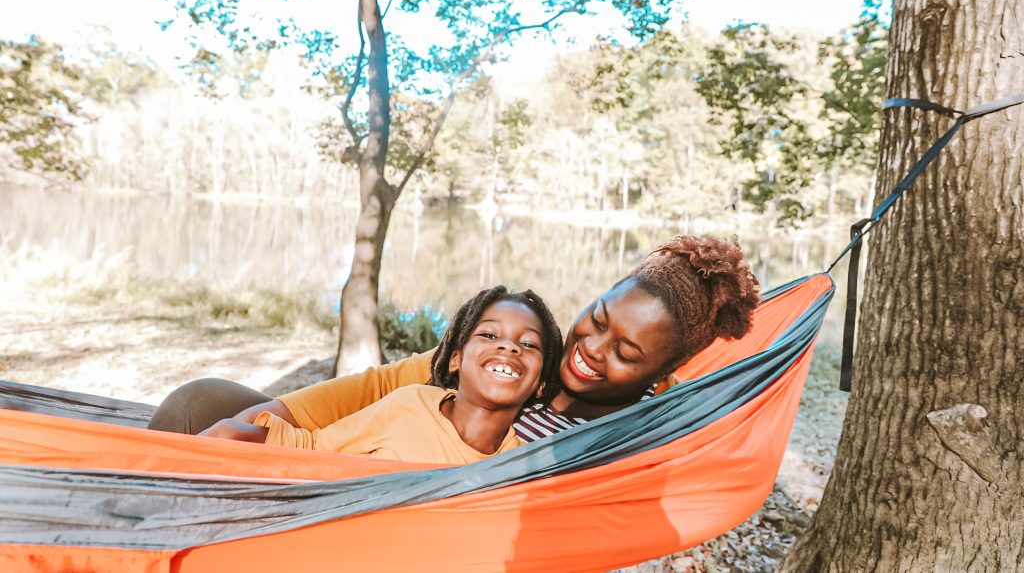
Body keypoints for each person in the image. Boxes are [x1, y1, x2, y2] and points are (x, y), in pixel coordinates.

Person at [149, 235, 759, 441]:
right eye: (597, 319)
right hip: (341, 463)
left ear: (659, 374)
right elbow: (378, 386)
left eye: (626, 352)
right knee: (199, 404)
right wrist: (267, 415)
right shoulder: (519, 356)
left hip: (411, 523)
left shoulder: (637, 434)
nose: (593, 350)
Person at [199, 286, 563, 465]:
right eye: (488, 335)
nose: (509, 348)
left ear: (541, 383)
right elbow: (314, 451)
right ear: (453, 359)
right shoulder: (410, 406)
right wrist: (236, 432)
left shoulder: (520, 465)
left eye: (528, 344)